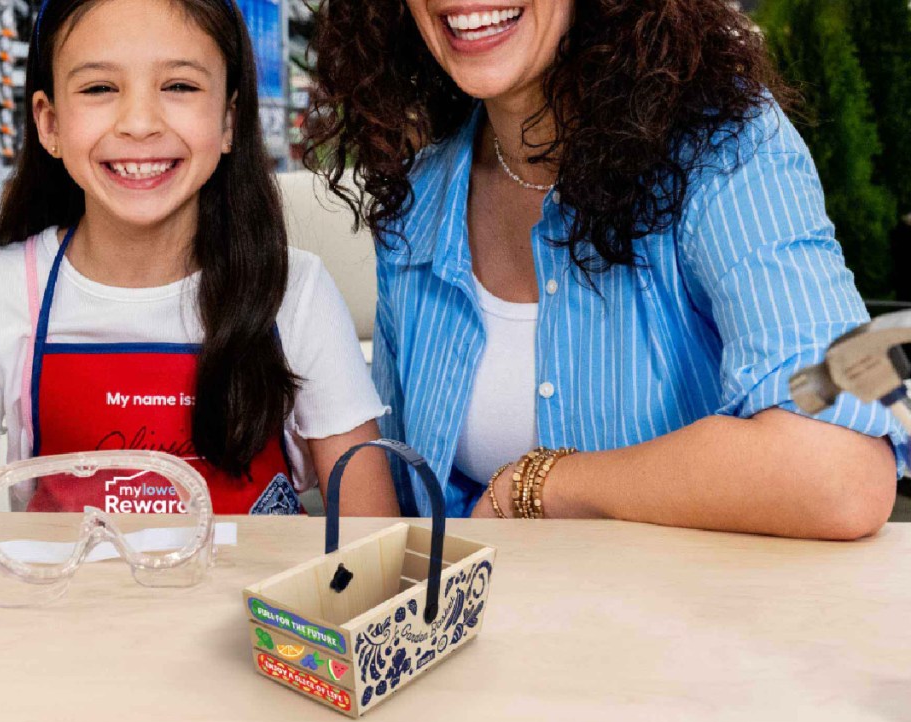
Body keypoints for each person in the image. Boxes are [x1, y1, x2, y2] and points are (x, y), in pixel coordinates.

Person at [305, 0, 906, 537]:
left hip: (688, 643)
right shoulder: (415, 207)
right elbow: (394, 498)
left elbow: (844, 466)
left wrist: (540, 487)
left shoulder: (727, 151)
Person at [0, 0, 396, 515]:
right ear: (49, 123)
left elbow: (370, 543)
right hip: (68, 596)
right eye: (99, 88)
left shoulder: (295, 291)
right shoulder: (0, 290)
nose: (139, 123)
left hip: (252, 599)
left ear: (229, 120)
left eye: (179, 86)